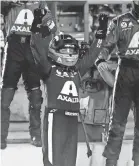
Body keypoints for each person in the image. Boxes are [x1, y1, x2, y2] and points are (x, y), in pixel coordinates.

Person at [30, 13, 108, 166]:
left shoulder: (77, 69)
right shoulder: (48, 68)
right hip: (55, 118)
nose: (70, 54)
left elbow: (93, 54)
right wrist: (36, 25)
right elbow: (37, 49)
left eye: (72, 51)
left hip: (73, 119)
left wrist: (102, 30)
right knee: (53, 161)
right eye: (65, 51)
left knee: (69, 162)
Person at [0, 1, 56, 149]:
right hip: (13, 46)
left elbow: (51, 25)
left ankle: (36, 135)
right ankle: (1, 138)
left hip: (32, 46)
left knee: (36, 97)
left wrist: (45, 23)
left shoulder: (40, 2)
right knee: (5, 97)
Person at [95, 1, 139, 166]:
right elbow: (106, 45)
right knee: (117, 123)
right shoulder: (120, 21)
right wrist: (100, 60)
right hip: (125, 72)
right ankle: (111, 162)